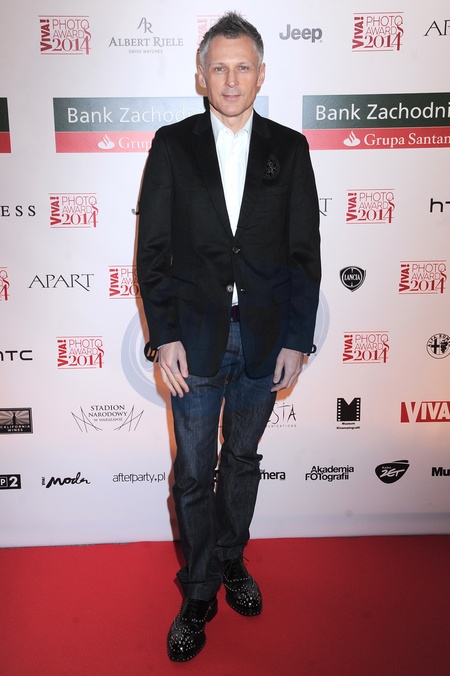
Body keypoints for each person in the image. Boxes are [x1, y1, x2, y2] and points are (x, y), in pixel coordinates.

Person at [136, 11, 321, 662]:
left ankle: (232, 559)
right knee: (193, 470)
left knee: (241, 460)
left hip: (265, 339)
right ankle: (198, 591)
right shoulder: (172, 145)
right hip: (193, 340)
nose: (231, 79)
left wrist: (298, 339)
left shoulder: (290, 149)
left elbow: (304, 255)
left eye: (243, 67)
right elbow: (152, 252)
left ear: (261, 74)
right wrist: (164, 336)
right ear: (201, 76)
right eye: (219, 67)